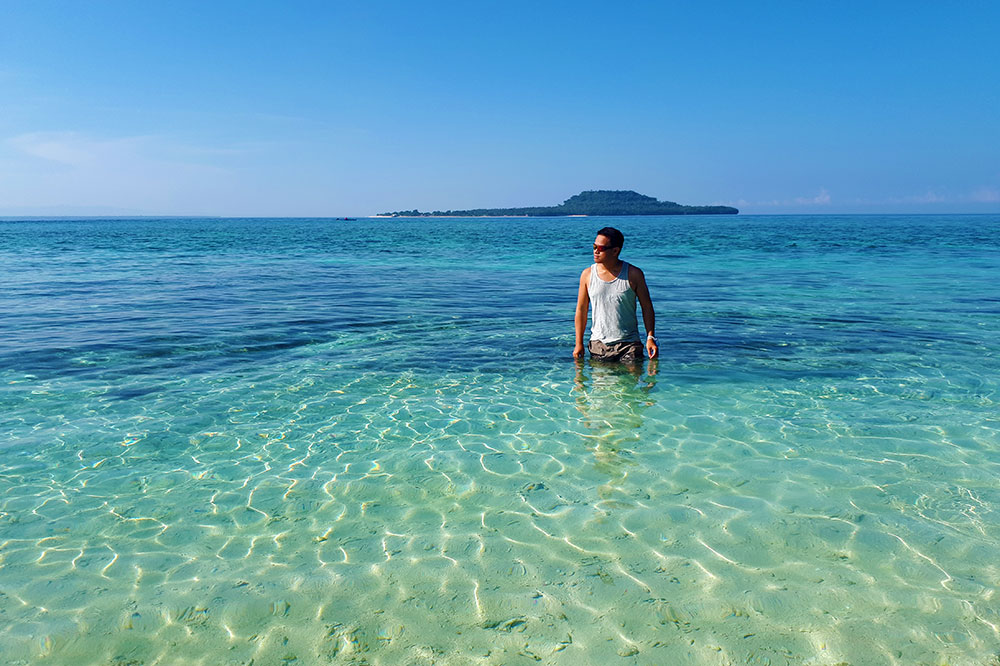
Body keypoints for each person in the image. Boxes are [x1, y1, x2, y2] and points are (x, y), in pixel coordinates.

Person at [573, 227, 658, 362]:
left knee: (631, 382)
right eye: (594, 246)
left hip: (629, 345)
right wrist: (578, 343)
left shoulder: (634, 274)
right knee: (600, 383)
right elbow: (581, 310)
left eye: (600, 248)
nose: (595, 251)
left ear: (615, 251)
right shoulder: (587, 275)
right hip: (598, 344)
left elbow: (647, 307)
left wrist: (650, 337)